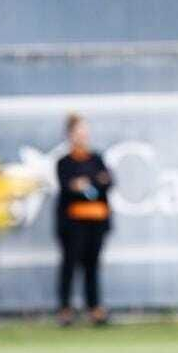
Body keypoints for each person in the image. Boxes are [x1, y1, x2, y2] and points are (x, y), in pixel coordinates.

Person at [54, 113, 114, 327]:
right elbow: (69, 186)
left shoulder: (96, 158)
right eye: (78, 131)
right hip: (73, 224)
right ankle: (65, 309)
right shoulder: (65, 161)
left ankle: (94, 308)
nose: (83, 135)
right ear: (70, 135)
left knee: (92, 265)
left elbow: (107, 181)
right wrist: (86, 184)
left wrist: (87, 184)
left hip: (96, 221)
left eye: (85, 131)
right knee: (70, 266)